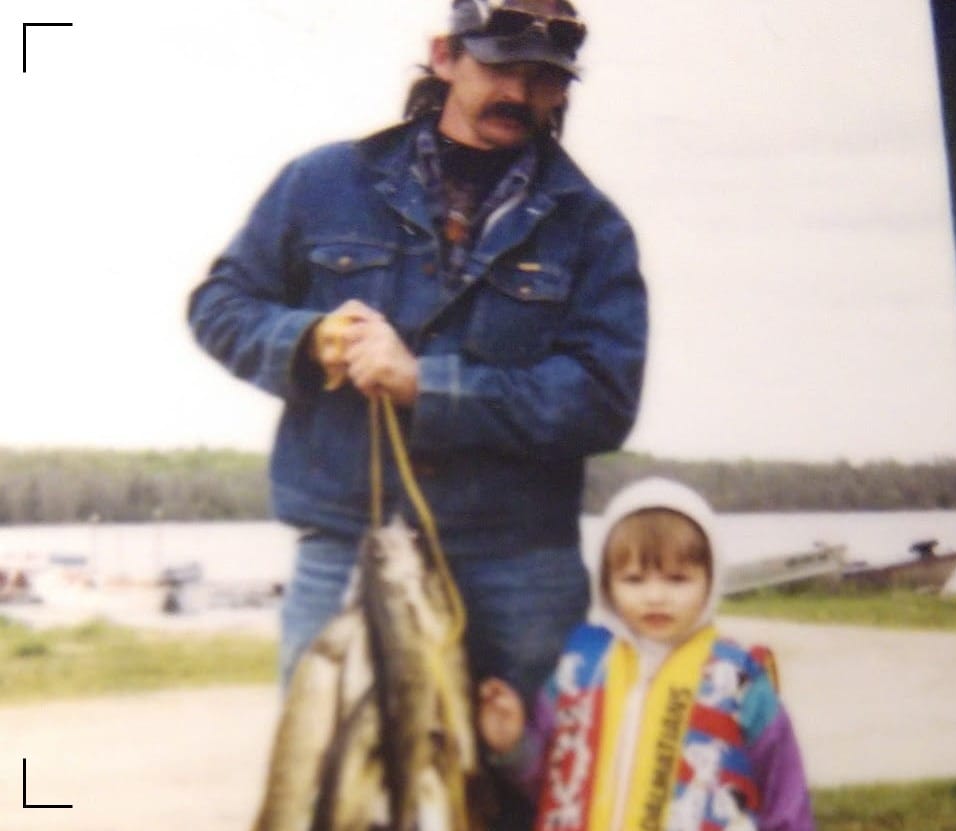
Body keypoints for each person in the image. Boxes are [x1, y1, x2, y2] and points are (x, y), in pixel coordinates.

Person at [187, 1, 646, 826]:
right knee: (328, 792)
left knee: (519, 792)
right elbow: (219, 305)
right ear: (444, 56)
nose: (522, 90)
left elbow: (603, 400)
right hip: (344, 546)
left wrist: (426, 385)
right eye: (501, 65)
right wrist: (304, 340)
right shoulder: (320, 183)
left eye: (542, 77)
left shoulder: (594, 229)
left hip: (519, 566)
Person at [478, 477, 815, 831]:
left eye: (677, 579)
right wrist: (514, 746)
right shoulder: (578, 671)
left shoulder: (741, 681)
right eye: (634, 580)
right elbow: (552, 785)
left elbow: (786, 799)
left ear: (710, 580)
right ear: (607, 584)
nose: (655, 596)